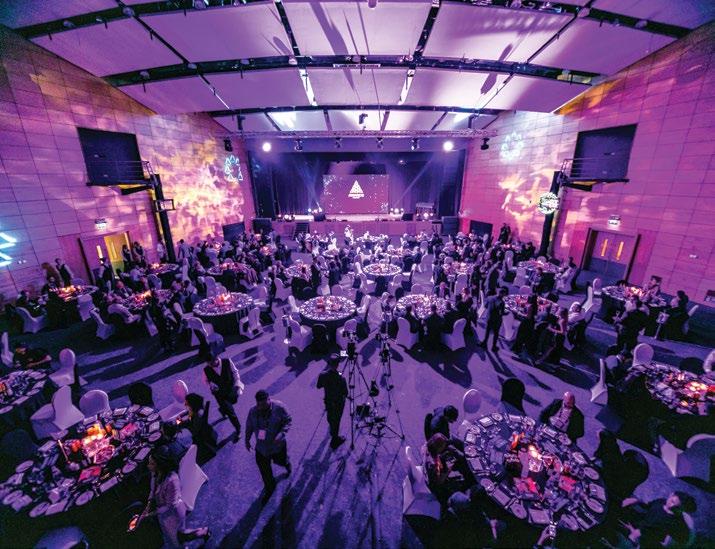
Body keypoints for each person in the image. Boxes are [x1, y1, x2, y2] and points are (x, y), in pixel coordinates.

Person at [138, 447, 209, 548]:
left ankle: (202, 533)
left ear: (160, 465)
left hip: (174, 513)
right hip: (164, 513)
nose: (148, 466)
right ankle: (203, 532)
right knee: (179, 536)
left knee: (176, 539)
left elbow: (170, 506)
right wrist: (148, 505)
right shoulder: (155, 473)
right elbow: (152, 489)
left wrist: (150, 514)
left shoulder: (172, 480)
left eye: (152, 464)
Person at [245, 389, 292, 503]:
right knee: (264, 470)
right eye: (259, 404)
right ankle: (270, 487)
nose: (261, 407)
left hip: (277, 446)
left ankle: (286, 463)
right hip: (261, 448)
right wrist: (247, 440)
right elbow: (249, 426)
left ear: (269, 399)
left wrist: (281, 434)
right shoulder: (253, 411)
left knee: (280, 461)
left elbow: (288, 420)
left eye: (264, 404)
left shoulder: (279, 408)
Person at [621, 491, 695, 548]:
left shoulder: (676, 522)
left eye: (677, 507)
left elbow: (684, 540)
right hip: (639, 523)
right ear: (671, 494)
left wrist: (637, 534)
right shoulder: (661, 501)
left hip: (644, 539)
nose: (671, 506)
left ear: (682, 510)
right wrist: (637, 500)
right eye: (672, 501)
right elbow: (648, 506)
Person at [203, 353, 243, 443]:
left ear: (217, 358)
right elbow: (206, 381)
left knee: (233, 401)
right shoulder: (206, 369)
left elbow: (235, 372)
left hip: (230, 389)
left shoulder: (227, 361)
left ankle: (222, 410)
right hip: (219, 394)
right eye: (208, 363)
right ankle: (238, 429)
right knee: (231, 412)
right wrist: (211, 385)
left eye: (212, 362)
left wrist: (237, 384)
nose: (210, 365)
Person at [316, 354, 348, 449]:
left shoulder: (322, 375)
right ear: (337, 364)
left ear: (329, 363)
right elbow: (345, 392)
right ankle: (335, 440)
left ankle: (332, 429)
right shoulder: (341, 378)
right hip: (338, 402)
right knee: (337, 420)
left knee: (330, 416)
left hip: (328, 400)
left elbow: (318, 386)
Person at [181, 393, 218, 464]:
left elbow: (195, 431)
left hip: (200, 436)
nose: (185, 404)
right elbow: (190, 419)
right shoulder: (194, 411)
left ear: (192, 405)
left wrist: (183, 424)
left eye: (187, 403)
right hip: (202, 431)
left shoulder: (197, 416)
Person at [480, 287, 508, 352]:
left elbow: (485, 306)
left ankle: (484, 343)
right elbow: (501, 313)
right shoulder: (501, 302)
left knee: (487, 332)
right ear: (502, 294)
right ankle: (493, 346)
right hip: (496, 321)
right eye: (504, 294)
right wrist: (507, 313)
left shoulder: (490, 297)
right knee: (496, 334)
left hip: (489, 318)